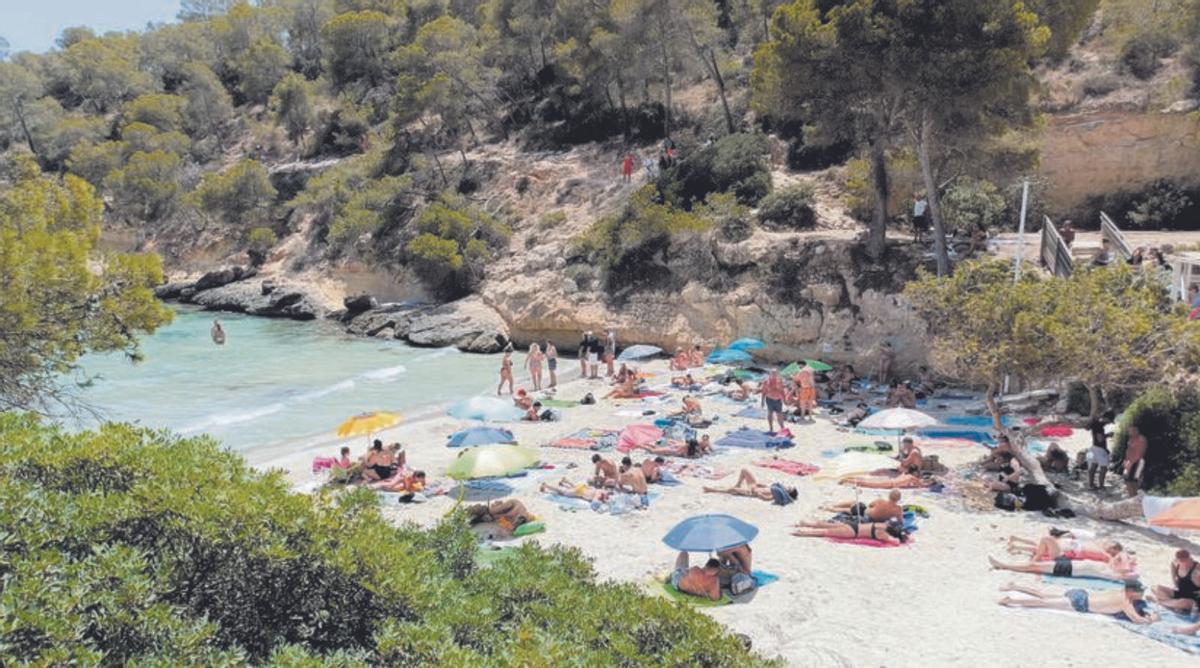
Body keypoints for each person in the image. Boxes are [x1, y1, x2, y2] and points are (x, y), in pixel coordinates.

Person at [999, 580, 1157, 624]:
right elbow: (1137, 620)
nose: (1142, 594)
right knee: (1043, 603)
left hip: (1080, 593)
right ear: (1131, 592)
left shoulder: (1121, 591)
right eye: (1140, 592)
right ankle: (1011, 600)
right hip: (1079, 603)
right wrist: (1152, 619)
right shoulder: (1125, 601)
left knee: (1043, 595)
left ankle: (1015, 586)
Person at [987, 555, 1132, 582]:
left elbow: (1128, 573)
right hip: (1069, 565)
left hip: (1068, 569)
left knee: (1033, 566)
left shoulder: (1111, 574)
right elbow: (1119, 557)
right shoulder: (1108, 567)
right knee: (1034, 566)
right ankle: (1004, 564)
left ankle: (1003, 565)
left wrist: (1125, 567)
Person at [703, 469, 797, 503]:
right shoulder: (778, 488)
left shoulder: (777, 493)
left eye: (789, 488)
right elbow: (766, 487)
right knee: (744, 470)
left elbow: (766, 498)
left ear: (788, 493)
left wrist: (758, 494)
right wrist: (759, 485)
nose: (787, 486)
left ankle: (712, 490)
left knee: (733, 490)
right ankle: (738, 484)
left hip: (751, 492)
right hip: (755, 486)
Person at [792, 518, 906, 545]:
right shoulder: (883, 534)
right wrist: (900, 536)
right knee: (826, 532)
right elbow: (896, 542)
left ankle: (806, 523)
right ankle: (802, 533)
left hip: (853, 524)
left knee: (827, 524)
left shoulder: (882, 524)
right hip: (853, 532)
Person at [1152, 549, 1200, 615]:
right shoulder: (1176, 563)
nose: (1184, 563)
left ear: (1189, 559)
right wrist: (1174, 581)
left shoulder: (1197, 569)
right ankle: (1172, 604)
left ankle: (1158, 601)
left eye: (1185, 561)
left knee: (1182, 602)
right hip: (1180, 593)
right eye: (1181, 561)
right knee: (1155, 588)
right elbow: (1172, 564)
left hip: (1192, 599)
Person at [822, 489, 903, 523]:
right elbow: (900, 521)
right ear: (898, 499)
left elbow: (870, 505)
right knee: (852, 507)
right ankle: (832, 507)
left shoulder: (881, 501)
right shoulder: (898, 509)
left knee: (852, 505)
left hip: (865, 515)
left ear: (889, 496)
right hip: (874, 520)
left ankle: (832, 507)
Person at [467, 499, 532, 536]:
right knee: (490, 511)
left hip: (516, 516)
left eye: (494, 503)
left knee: (490, 511)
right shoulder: (513, 508)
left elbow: (516, 523)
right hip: (515, 514)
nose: (493, 504)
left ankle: (473, 513)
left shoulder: (513, 506)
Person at [1088, 410, 1114, 490]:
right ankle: (1101, 486)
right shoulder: (1099, 427)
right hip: (1100, 449)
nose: (1109, 423)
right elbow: (1100, 439)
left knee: (1093, 466)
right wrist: (1108, 435)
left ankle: (1091, 485)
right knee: (1103, 468)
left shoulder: (1096, 424)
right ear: (1106, 418)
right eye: (1109, 421)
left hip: (1094, 447)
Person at [761, 368, 788, 433]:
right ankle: (771, 428)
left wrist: (784, 400)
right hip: (769, 399)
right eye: (772, 373)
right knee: (770, 413)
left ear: (777, 374)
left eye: (775, 373)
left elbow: (782, 391)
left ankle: (782, 428)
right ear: (770, 374)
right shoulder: (766, 381)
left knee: (779, 414)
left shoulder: (780, 381)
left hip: (778, 400)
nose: (774, 375)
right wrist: (762, 401)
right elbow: (764, 392)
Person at [1123, 424, 1147, 496]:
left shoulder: (1141, 439)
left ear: (1137, 431)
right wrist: (1126, 461)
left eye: (1133, 430)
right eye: (1130, 431)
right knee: (1127, 480)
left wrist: (1130, 464)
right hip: (1130, 462)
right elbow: (1128, 451)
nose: (1131, 432)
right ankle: (1132, 497)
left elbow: (1139, 454)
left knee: (1134, 481)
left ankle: (1136, 498)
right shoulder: (1130, 439)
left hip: (1137, 462)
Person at [540, 478, 610, 503]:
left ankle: (565, 481)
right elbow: (593, 501)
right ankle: (546, 485)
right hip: (578, 491)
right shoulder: (594, 497)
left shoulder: (599, 490)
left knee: (574, 487)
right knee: (562, 492)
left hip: (583, 486)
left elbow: (605, 493)